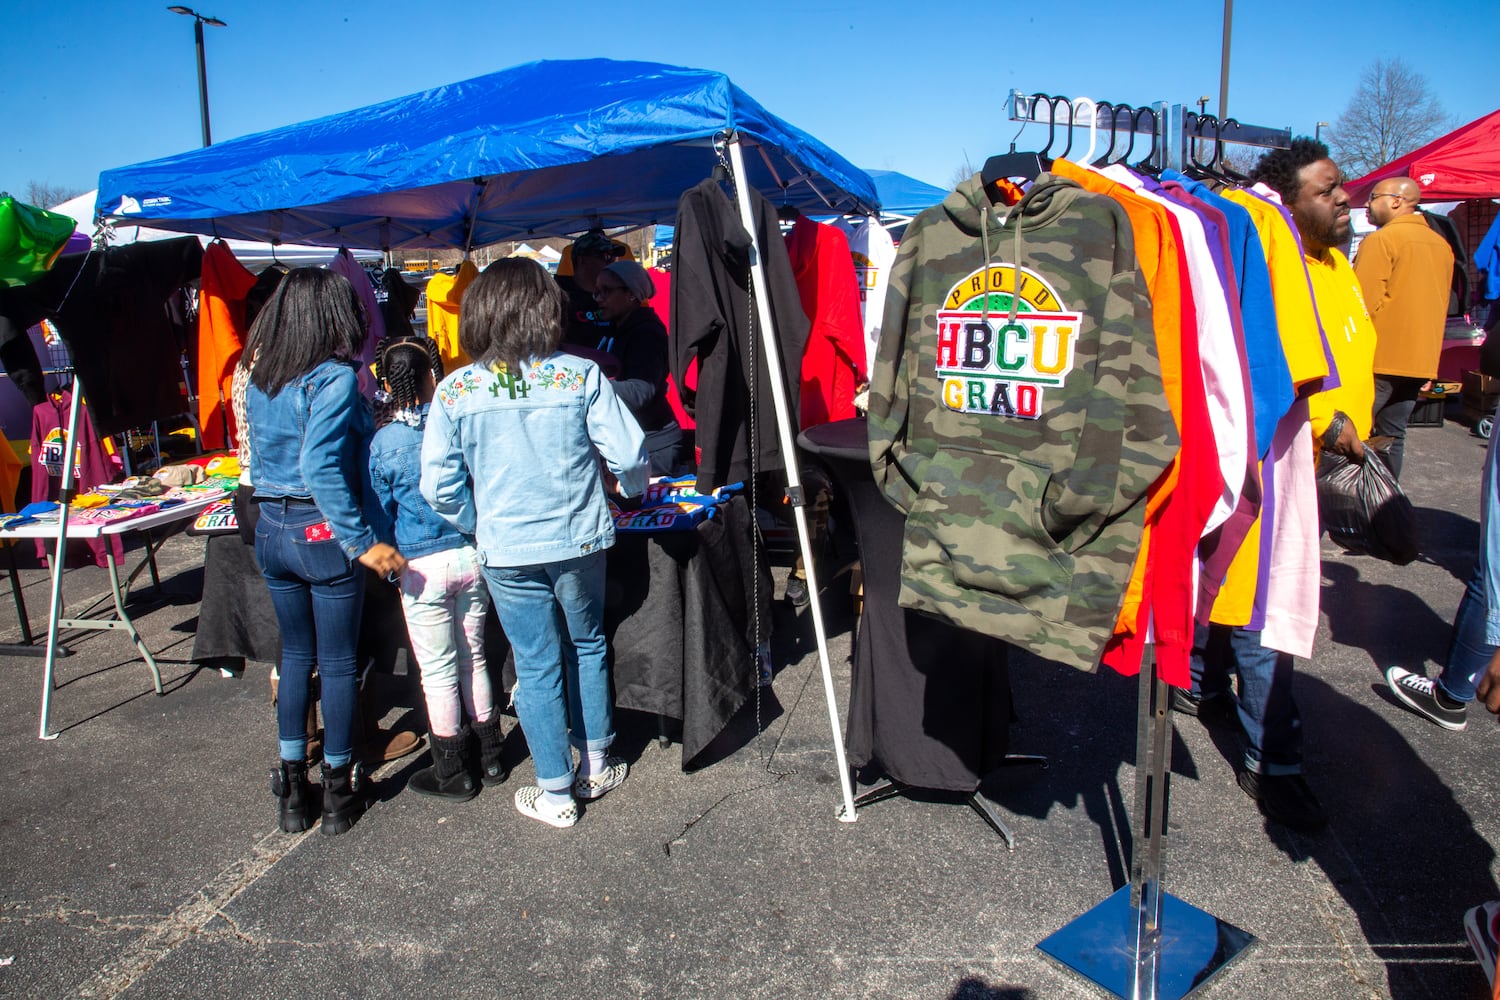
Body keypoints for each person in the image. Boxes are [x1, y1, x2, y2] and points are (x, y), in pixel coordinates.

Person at [1185, 139, 1375, 834]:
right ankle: (1275, 762)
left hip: (1318, 465)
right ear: (1285, 199)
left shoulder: (1337, 266)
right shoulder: (1266, 249)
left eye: (1341, 187)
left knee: (1242, 594)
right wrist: (1327, 427)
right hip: (1275, 458)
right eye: (1327, 190)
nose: (1343, 198)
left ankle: (1201, 685)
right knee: (1264, 611)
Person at [420, 258, 650, 829]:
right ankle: (596, 763)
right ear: (546, 310)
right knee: (588, 643)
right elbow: (631, 455)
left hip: (508, 546)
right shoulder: (580, 375)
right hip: (577, 537)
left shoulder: (456, 389)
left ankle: (555, 793)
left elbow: (437, 486)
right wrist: (632, 491)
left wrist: (477, 522)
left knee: (537, 661)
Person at [245, 268, 406, 837]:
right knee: (335, 662)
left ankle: (293, 787)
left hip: (270, 529)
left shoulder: (261, 373)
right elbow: (319, 468)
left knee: (295, 657)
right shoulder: (333, 378)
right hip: (319, 533)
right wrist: (365, 544)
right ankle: (338, 787)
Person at [369, 335, 504, 801]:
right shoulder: (457, 422)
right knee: (474, 656)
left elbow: (380, 512)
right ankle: (491, 756)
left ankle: (452, 768)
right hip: (470, 553)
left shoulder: (384, 441)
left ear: (387, 383)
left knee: (439, 670)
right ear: (434, 375)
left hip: (420, 563)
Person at [1354, 176, 1455, 479]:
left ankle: (1350, 508)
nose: (1367, 205)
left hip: (1377, 358)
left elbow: (1361, 304)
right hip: (1418, 362)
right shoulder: (1442, 246)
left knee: (1353, 432)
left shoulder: (1382, 240)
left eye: (1373, 197)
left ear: (1397, 201)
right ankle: (1386, 506)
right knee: (1393, 436)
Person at [592, 259, 684, 475]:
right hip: (632, 442)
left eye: (606, 291)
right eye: (597, 291)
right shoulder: (616, 328)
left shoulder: (646, 334)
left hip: (653, 447)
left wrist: (586, 383)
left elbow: (640, 392)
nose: (599, 299)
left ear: (631, 294)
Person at [557, 229, 627, 360]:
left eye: (614, 257)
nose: (611, 262)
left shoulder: (617, 294)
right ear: (582, 260)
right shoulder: (557, 296)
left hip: (611, 374)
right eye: (605, 256)